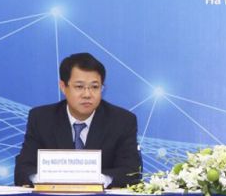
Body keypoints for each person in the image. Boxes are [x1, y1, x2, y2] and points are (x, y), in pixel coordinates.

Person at [14, 52, 141, 188]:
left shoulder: (122, 121)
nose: (87, 94)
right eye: (79, 87)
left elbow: (131, 172)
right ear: (63, 87)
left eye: (95, 87)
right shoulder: (42, 119)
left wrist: (99, 180)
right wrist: (45, 179)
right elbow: (23, 170)